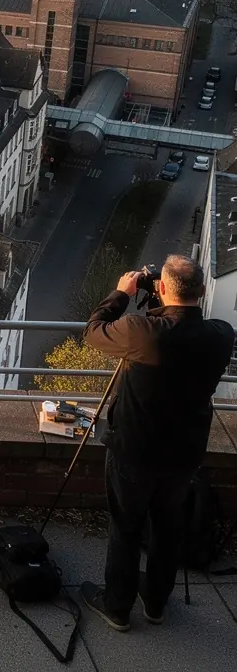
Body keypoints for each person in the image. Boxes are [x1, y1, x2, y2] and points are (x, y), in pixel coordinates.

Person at [81, 255, 234, 631]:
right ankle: (155, 603)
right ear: (201, 292)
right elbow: (173, 329)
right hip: (184, 454)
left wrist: (122, 292)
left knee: (127, 527)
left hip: (134, 450)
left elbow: (94, 330)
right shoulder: (221, 334)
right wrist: (158, 298)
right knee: (168, 528)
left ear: (163, 288)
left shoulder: (139, 331)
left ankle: (117, 606)